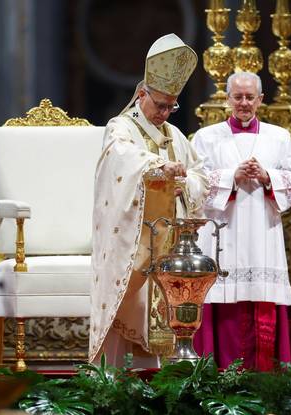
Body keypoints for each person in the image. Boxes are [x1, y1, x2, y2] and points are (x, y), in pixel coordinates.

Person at [89, 34, 208, 367]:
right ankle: (114, 384)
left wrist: (187, 185)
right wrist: (159, 167)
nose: (166, 113)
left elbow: (200, 177)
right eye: (160, 105)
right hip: (131, 246)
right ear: (142, 94)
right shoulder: (120, 128)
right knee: (129, 308)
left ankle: (161, 384)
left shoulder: (175, 136)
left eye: (172, 107)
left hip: (167, 245)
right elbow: (122, 159)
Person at [192, 72, 291, 371]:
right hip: (222, 231)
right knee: (221, 297)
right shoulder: (207, 137)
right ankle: (216, 372)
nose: (244, 103)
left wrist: (267, 175)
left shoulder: (278, 136)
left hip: (262, 231)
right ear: (228, 99)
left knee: (260, 296)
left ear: (260, 99)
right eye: (238, 97)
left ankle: (263, 376)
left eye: (250, 97)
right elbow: (195, 181)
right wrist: (233, 175)